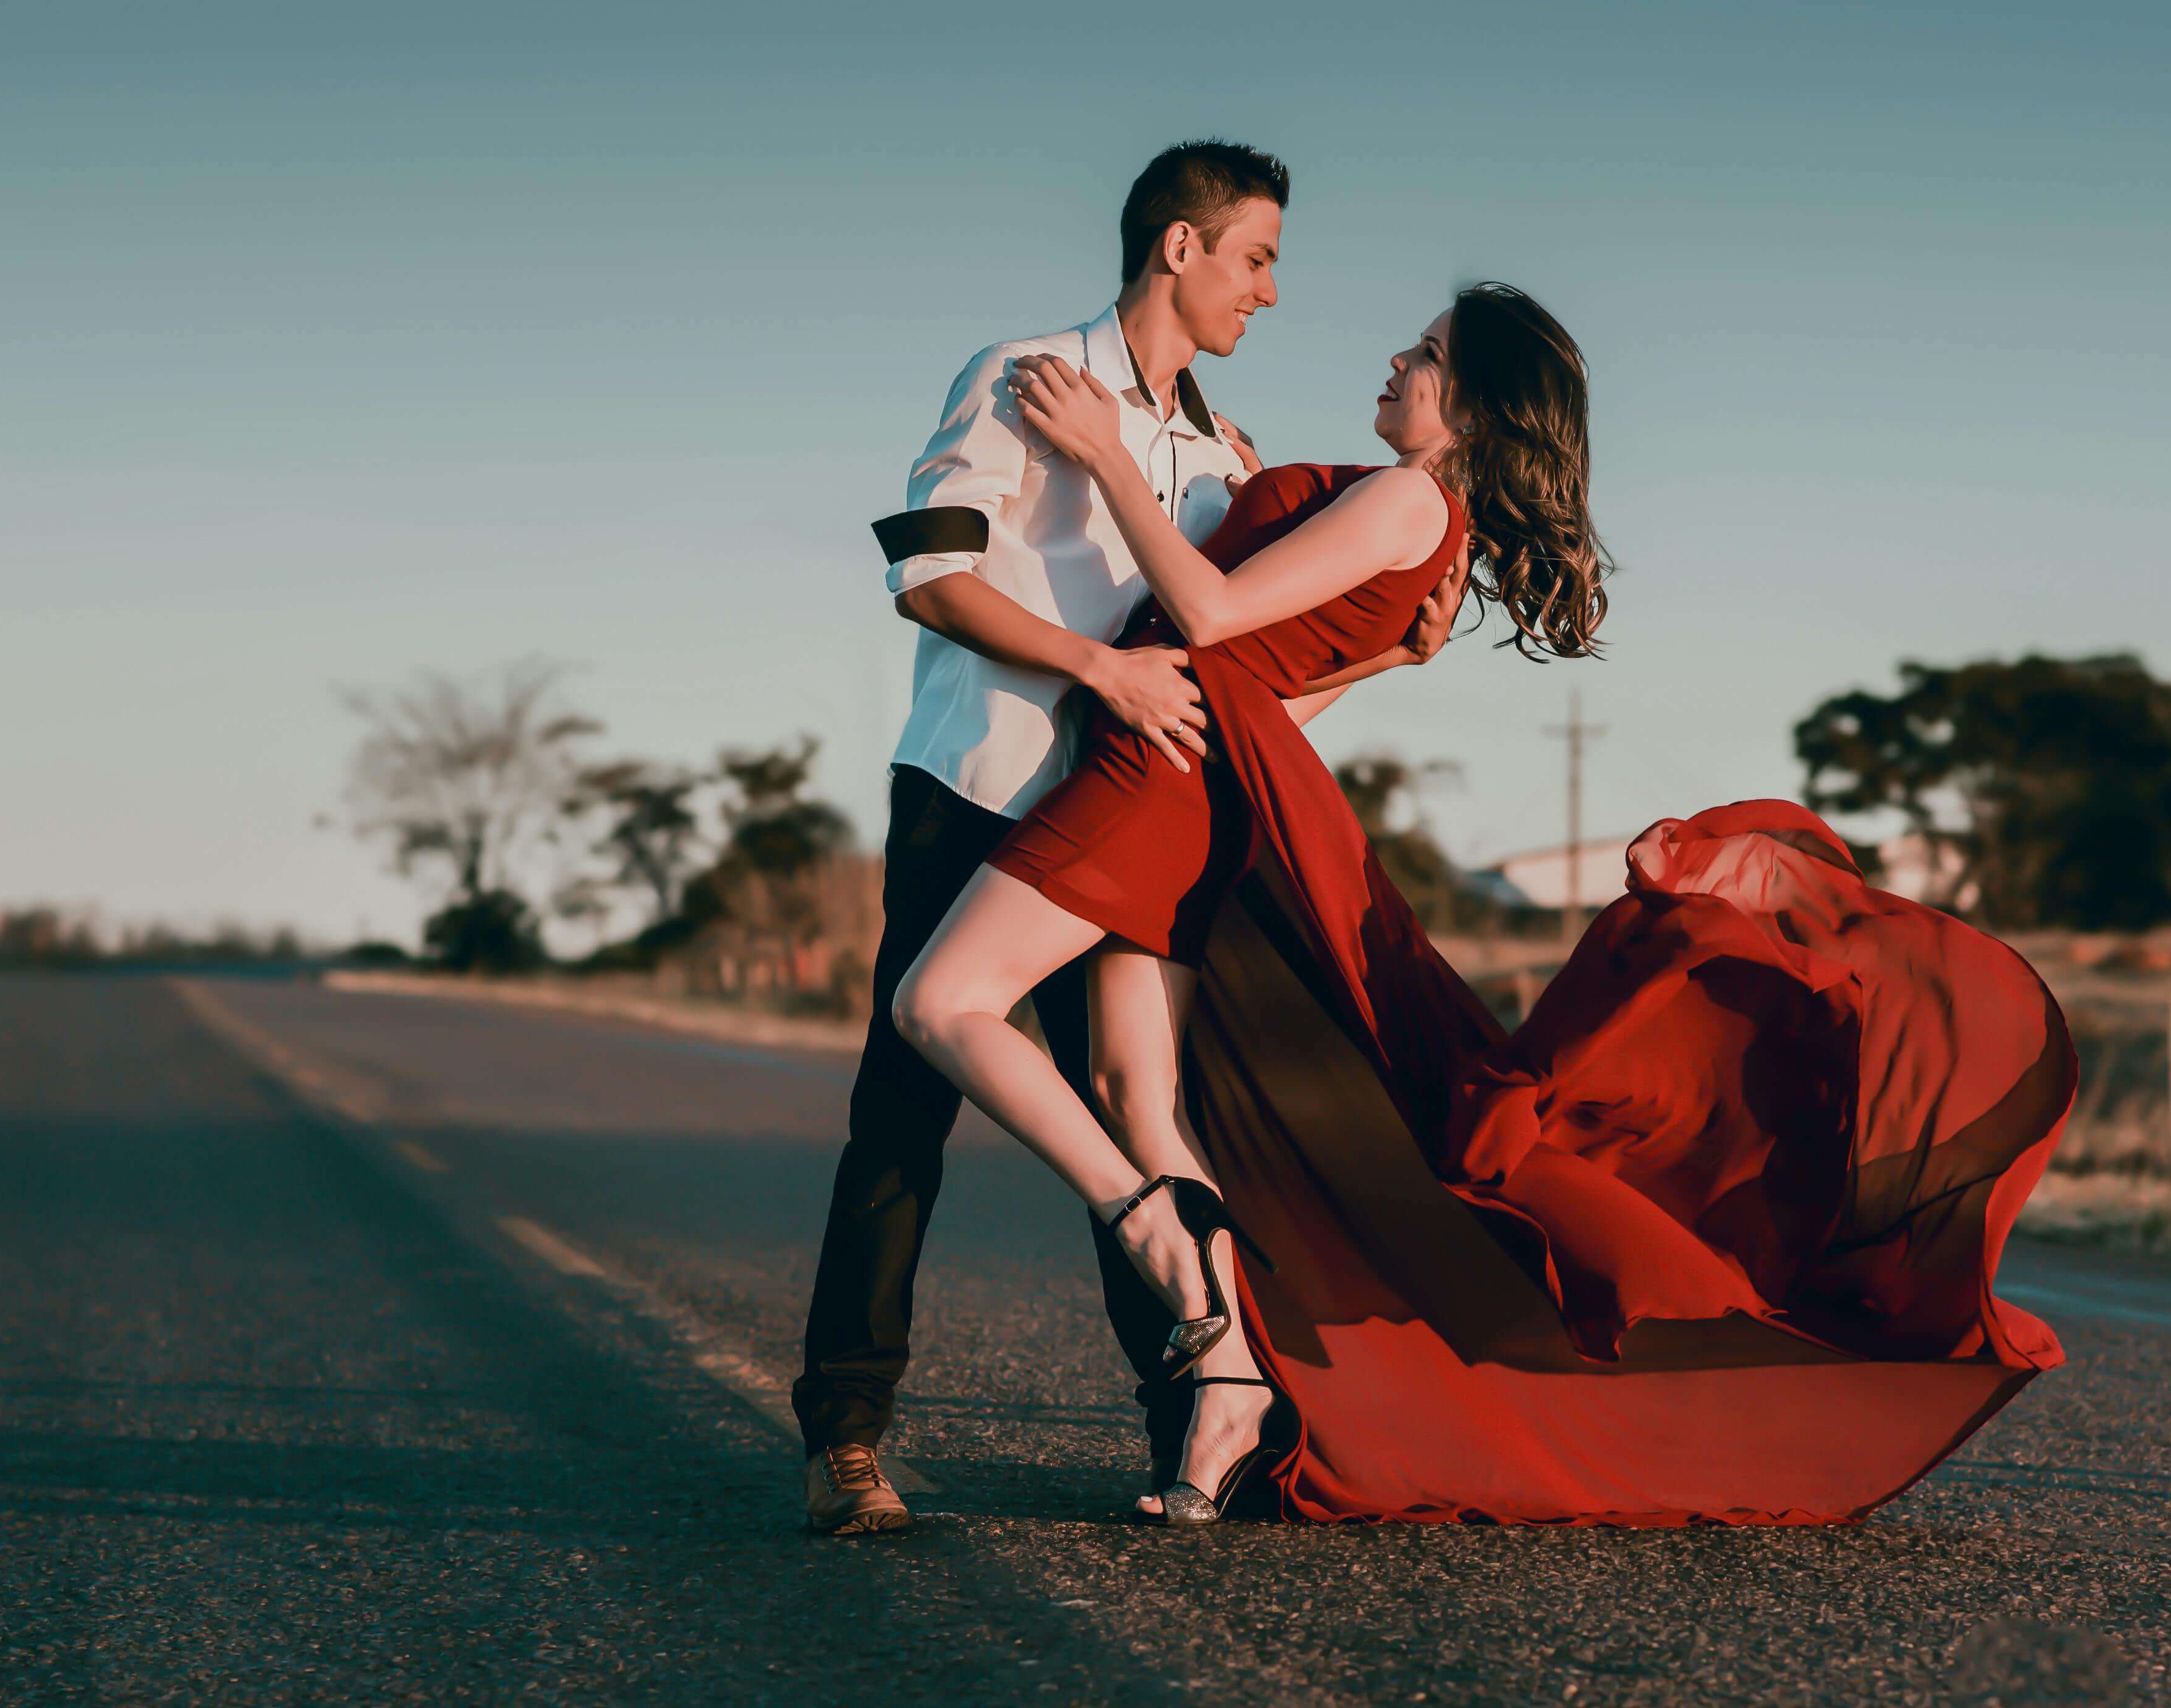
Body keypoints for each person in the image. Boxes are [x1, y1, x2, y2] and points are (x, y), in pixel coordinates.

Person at [896, 282, 2078, 1527]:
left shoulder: (1410, 495)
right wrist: (1367, 653)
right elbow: (1266, 700)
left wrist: (1099, 458)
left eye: (1424, 355)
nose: (1396, 361)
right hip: (1198, 776)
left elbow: (1207, 616)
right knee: (1142, 1096)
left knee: (942, 1000)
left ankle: (1157, 1242)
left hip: (1147, 778)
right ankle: (1231, 1384)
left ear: (1468, 405)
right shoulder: (1428, 519)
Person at [793, 141, 1451, 1535]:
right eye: (1257, 257)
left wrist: (1387, 660)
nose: (1269, 293)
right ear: (1178, 247)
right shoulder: (1026, 374)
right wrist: (1098, 676)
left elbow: (1238, 673)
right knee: (903, 1117)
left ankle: (1199, 1424)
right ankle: (844, 1438)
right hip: (980, 782)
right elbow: (928, 574)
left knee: (1127, 1100)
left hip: (1126, 812)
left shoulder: (1223, 458)